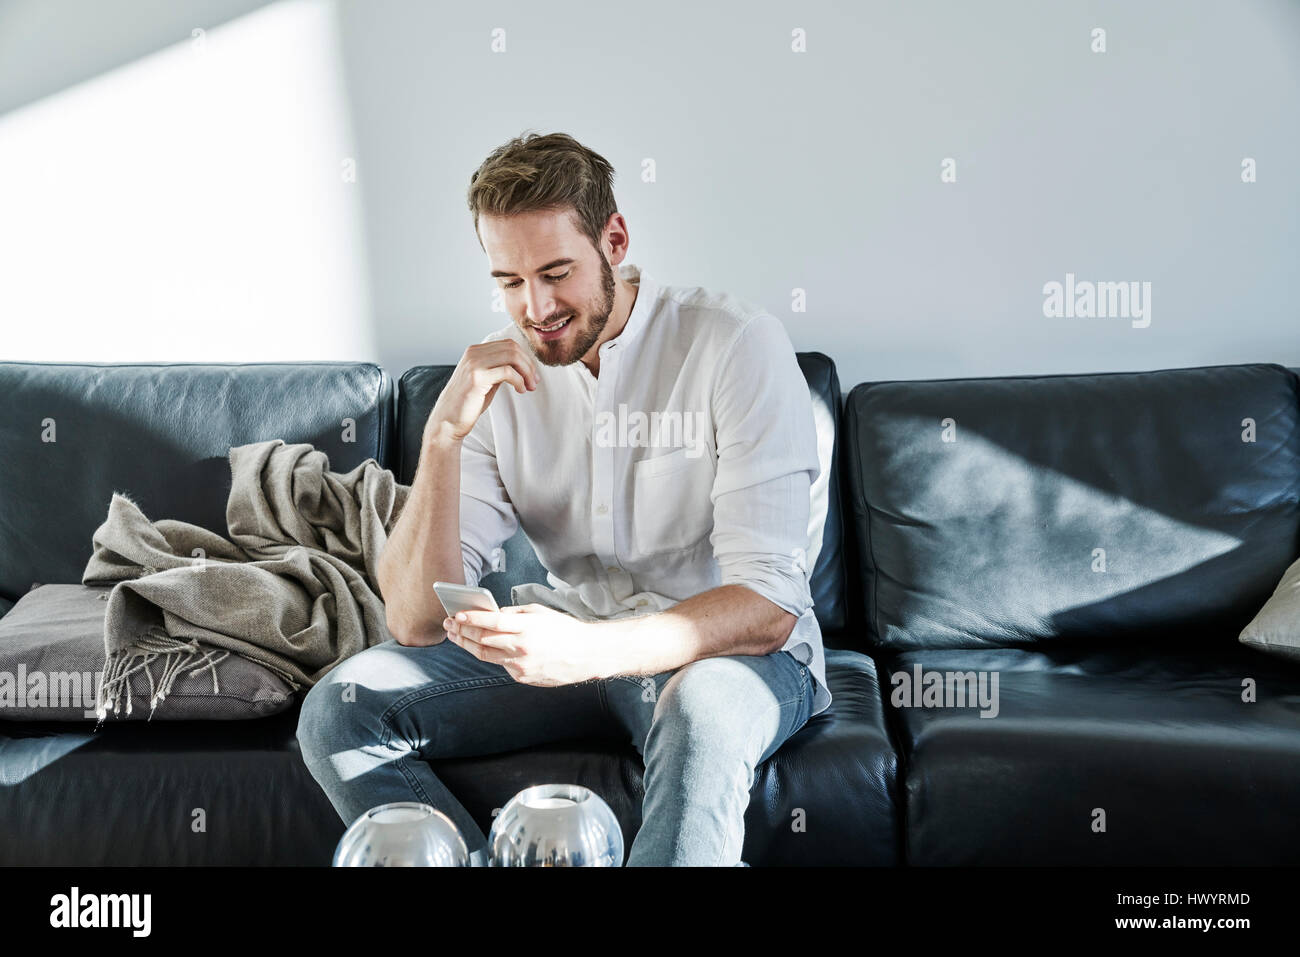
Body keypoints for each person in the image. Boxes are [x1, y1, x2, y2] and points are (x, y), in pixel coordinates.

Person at [297, 130, 831, 866]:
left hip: (728, 655)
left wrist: (585, 650)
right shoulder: (502, 379)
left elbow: (768, 604)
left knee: (701, 708)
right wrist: (445, 436)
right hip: (574, 640)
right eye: (510, 281)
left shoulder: (734, 344)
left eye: (555, 272)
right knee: (341, 710)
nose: (536, 306)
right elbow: (414, 619)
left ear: (614, 239)